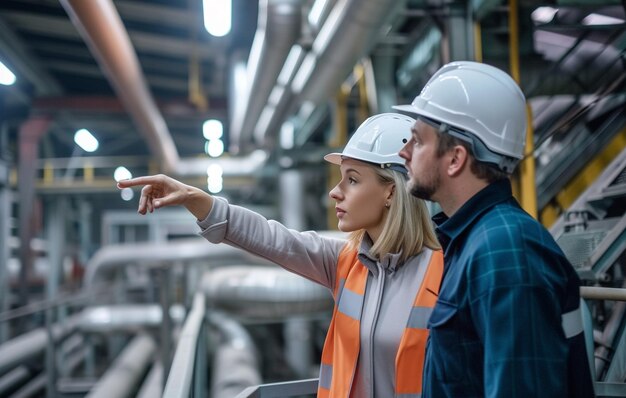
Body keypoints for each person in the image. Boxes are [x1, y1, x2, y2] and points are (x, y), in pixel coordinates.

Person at [118, 113, 444, 398]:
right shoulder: (347, 262)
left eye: (353, 180)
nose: (335, 190)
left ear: (390, 191)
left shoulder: (445, 273)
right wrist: (194, 198)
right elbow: (275, 240)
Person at [394, 61, 595, 397]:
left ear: (455, 159)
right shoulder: (472, 241)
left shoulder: (506, 252)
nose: (404, 152)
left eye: (417, 140)